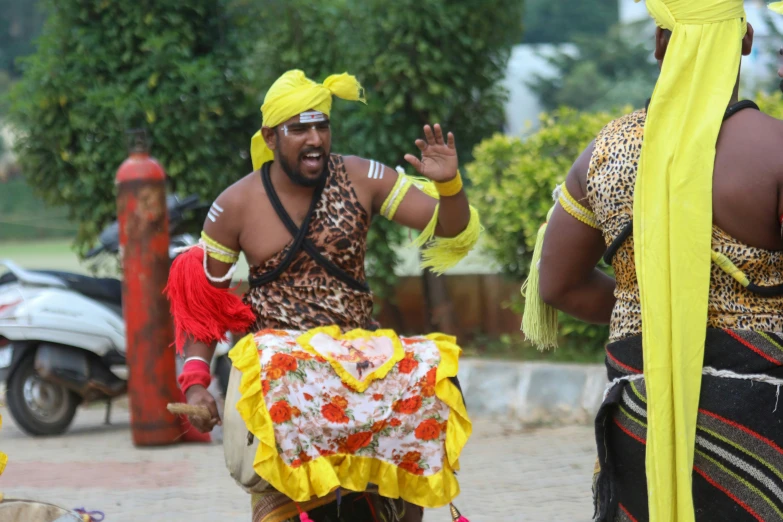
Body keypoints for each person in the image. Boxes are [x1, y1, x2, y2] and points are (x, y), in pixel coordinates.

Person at [165, 69, 480, 522]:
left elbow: (448, 225)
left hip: (358, 363)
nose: (315, 138)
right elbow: (205, 309)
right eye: (299, 129)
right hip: (284, 376)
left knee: (431, 370)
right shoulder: (234, 204)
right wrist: (196, 386)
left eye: (322, 126)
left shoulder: (362, 176)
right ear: (271, 137)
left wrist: (449, 185)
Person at [529, 1, 783, 520]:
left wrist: (666, 316)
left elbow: (555, 285)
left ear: (660, 44)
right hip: (762, 413)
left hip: (640, 411)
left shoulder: (605, 153)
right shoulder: (775, 150)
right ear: (746, 40)